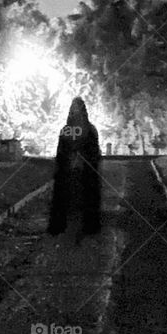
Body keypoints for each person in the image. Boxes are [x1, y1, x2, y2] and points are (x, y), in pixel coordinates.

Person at [47, 96, 102, 238]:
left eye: (76, 109)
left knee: (86, 199)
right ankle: (63, 227)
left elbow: (94, 151)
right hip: (68, 172)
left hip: (85, 171)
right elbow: (61, 151)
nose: (74, 112)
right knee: (67, 200)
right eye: (73, 109)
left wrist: (83, 159)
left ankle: (87, 227)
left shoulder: (89, 130)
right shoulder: (67, 130)